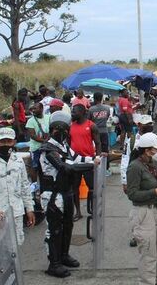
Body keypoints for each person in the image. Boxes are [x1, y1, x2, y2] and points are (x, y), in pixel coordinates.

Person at [38, 112, 100, 278]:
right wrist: (91, 165)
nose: (63, 134)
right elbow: (66, 167)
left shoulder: (63, 146)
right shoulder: (48, 149)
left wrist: (93, 159)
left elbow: (76, 158)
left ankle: (63, 256)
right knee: (55, 230)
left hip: (65, 192)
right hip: (52, 195)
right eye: (60, 130)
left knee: (68, 226)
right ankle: (54, 263)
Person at [126, 132, 157, 285]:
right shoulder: (135, 167)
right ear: (147, 150)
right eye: (156, 149)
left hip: (155, 210)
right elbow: (132, 194)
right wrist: (155, 192)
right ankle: (147, 282)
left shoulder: (154, 163)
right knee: (148, 252)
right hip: (142, 212)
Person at [69, 104, 101, 221]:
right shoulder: (71, 126)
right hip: (75, 162)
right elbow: (68, 144)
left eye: (74, 112)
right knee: (74, 188)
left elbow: (98, 143)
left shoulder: (91, 126)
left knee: (92, 188)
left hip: (88, 162)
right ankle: (77, 212)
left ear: (82, 112)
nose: (72, 114)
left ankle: (93, 210)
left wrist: (97, 157)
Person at [88, 93, 111, 176]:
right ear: (101, 98)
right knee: (105, 150)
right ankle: (106, 169)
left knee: (95, 150)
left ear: (94, 98)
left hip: (94, 132)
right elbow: (107, 117)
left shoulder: (91, 109)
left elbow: (89, 120)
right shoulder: (107, 108)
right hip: (104, 131)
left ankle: (96, 167)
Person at [25, 102, 50, 181]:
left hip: (47, 147)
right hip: (35, 148)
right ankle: (34, 185)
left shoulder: (48, 117)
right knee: (34, 166)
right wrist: (44, 141)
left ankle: (44, 185)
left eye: (35, 108)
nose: (33, 110)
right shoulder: (30, 121)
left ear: (41, 109)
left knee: (46, 167)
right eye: (33, 108)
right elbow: (32, 135)